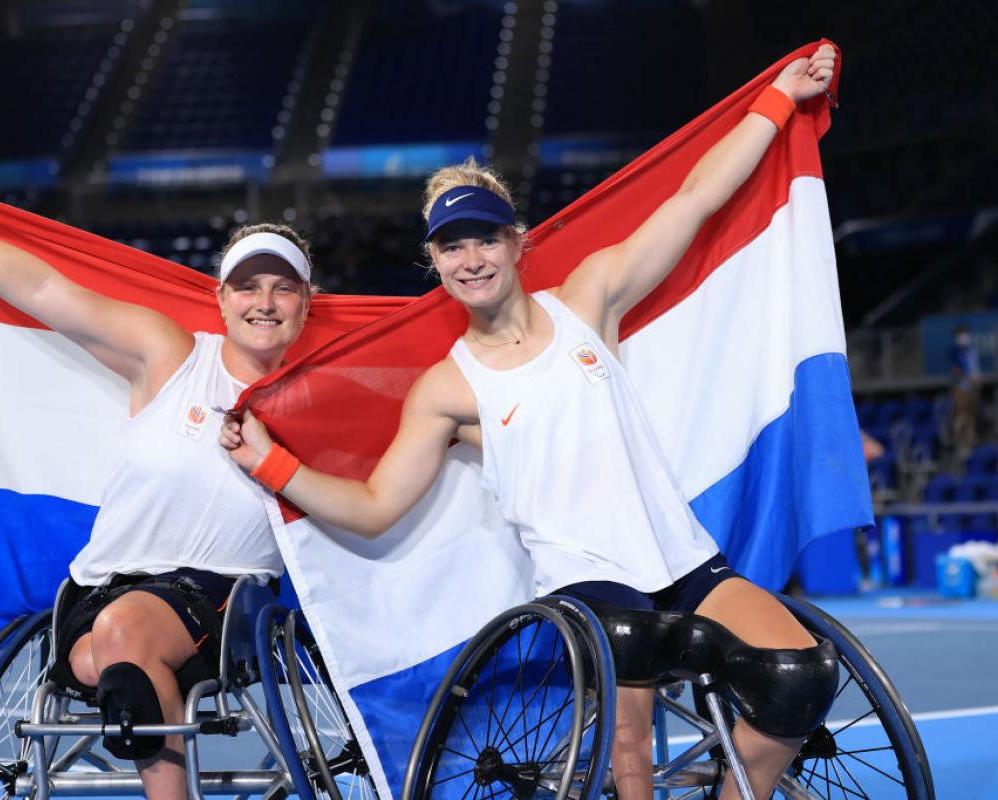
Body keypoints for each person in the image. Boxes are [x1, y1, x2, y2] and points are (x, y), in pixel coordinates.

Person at [222, 46, 837, 800]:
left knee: (800, 678)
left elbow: (696, 198)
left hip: (680, 560)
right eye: (453, 246)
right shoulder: (448, 387)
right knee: (630, 733)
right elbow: (376, 508)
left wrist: (779, 97)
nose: (471, 258)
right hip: (588, 582)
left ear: (518, 243)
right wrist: (270, 464)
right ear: (434, 261)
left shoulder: (588, 301)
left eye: (486, 238)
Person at [0, 168, 311, 800]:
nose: (263, 301)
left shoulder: (322, 395)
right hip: (101, 589)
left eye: (282, 288)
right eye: (247, 286)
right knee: (107, 650)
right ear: (220, 297)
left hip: (226, 600)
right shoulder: (170, 355)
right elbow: (43, 288)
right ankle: (137, 688)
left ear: (306, 303)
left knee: (121, 644)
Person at [949, 324, 981, 466]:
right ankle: (959, 444)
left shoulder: (972, 351)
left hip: (973, 387)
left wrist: (978, 377)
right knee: (961, 416)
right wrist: (968, 378)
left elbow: (975, 367)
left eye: (966, 334)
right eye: (962, 335)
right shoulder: (955, 352)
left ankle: (969, 444)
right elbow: (956, 370)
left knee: (971, 417)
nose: (964, 337)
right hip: (961, 388)